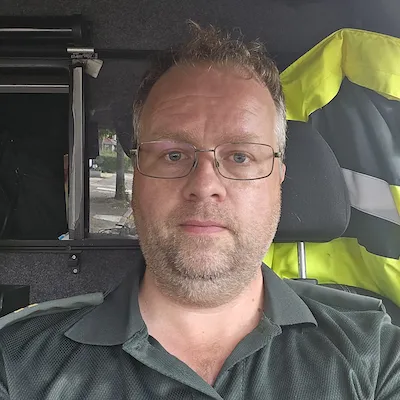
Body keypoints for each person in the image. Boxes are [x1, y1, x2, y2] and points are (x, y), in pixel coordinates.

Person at [0, 21, 399, 399]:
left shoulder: (376, 354)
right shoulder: (16, 363)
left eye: (240, 156)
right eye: (173, 154)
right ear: (137, 176)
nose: (205, 185)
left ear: (278, 177)